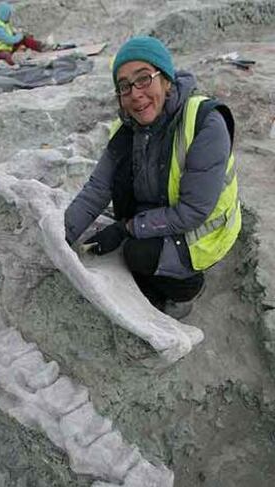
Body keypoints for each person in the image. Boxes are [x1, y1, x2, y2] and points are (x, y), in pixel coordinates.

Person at [64, 36, 241, 320]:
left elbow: (193, 212)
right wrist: (62, 237)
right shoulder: (126, 130)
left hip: (203, 233)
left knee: (137, 253)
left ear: (166, 80)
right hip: (164, 211)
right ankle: (153, 272)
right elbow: (96, 189)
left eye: (144, 79)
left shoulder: (205, 123)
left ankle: (186, 289)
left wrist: (127, 228)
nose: (135, 94)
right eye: (124, 86)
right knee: (115, 211)